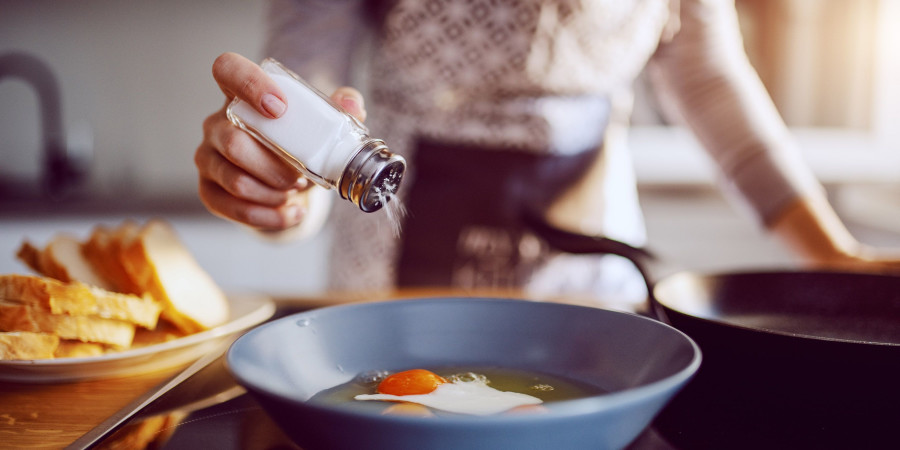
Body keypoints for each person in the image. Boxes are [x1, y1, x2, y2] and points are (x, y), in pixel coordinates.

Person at [195, 0, 900, 309]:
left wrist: (827, 252)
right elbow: (309, 74)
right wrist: (284, 182)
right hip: (392, 247)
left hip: (590, 265)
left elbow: (706, 73)